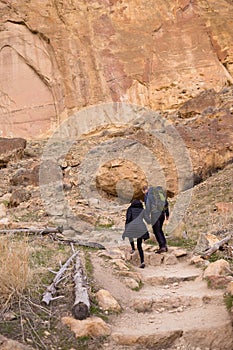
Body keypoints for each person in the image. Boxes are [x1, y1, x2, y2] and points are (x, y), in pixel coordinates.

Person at [122, 199, 150, 268]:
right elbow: (148, 220)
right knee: (139, 246)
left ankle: (133, 248)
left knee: (130, 236)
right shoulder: (142, 210)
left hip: (132, 226)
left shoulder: (130, 209)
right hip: (141, 227)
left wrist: (126, 228)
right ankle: (142, 262)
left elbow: (128, 219)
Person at [142, 185, 169, 254]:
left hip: (155, 214)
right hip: (162, 214)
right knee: (159, 229)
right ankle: (164, 245)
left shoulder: (148, 195)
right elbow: (166, 203)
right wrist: (167, 214)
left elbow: (148, 205)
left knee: (156, 230)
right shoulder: (159, 194)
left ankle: (162, 246)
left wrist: (147, 215)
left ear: (144, 190)